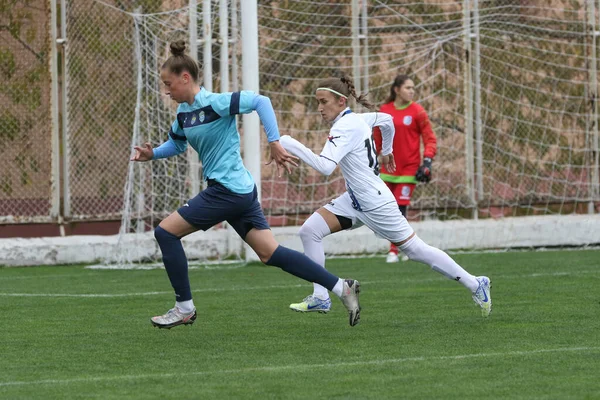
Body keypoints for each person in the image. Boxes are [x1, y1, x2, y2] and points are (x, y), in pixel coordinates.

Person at [131, 41, 361, 328]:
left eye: (169, 84)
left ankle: (184, 308)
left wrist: (274, 142)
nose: (167, 90)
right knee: (269, 253)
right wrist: (152, 154)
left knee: (165, 233)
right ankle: (342, 287)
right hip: (238, 191)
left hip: (226, 190)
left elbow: (261, 102)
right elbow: (176, 144)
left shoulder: (216, 102)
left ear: (185, 78)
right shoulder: (183, 115)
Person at [278, 76, 492, 317]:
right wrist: (387, 151)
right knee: (309, 231)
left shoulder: (344, 126)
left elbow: (326, 167)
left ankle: (476, 284)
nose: (319, 108)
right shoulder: (357, 119)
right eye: (317, 102)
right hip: (355, 200)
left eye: (323, 101)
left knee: (416, 250)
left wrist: (286, 142)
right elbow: (387, 120)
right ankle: (320, 296)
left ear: (340, 101)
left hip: (376, 203)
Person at [373, 75, 437, 263]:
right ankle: (402, 247)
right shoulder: (384, 111)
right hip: (387, 169)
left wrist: (427, 161)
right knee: (385, 207)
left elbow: (430, 138)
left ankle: (394, 250)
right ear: (396, 90)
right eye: (408, 87)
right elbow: (377, 138)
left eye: (413, 88)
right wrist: (377, 157)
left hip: (409, 169)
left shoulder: (417, 111)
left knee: (400, 207)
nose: (412, 91)